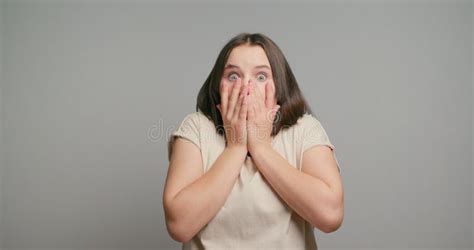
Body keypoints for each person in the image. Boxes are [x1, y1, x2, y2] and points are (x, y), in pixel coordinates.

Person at [163, 32, 344, 250]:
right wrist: (237, 147)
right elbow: (179, 225)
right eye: (233, 76)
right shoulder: (196, 128)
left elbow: (331, 216)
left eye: (260, 77)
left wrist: (260, 148)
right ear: (218, 87)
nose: (246, 87)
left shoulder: (304, 130)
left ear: (279, 86)